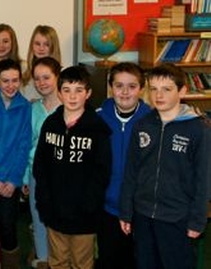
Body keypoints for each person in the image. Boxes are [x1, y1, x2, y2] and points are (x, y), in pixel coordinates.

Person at [119, 64, 211, 269]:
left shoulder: (198, 129)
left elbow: (203, 178)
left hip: (177, 217)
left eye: (166, 89)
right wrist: (126, 211)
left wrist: (197, 221)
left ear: (182, 91)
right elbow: (131, 172)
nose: (158, 95)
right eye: (153, 89)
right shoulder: (142, 125)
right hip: (143, 215)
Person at [33, 65, 112, 269]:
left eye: (79, 90)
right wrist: (44, 200)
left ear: (88, 93)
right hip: (55, 209)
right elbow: (40, 165)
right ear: (59, 93)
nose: (73, 96)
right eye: (67, 90)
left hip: (84, 213)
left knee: (81, 262)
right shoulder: (50, 124)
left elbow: (102, 171)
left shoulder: (98, 128)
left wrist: (89, 203)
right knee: (58, 261)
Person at [95, 62, 151, 269]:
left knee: (138, 259)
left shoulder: (152, 121)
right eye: (119, 86)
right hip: (107, 208)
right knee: (110, 258)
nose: (125, 92)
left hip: (140, 208)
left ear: (142, 89)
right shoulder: (98, 117)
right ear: (111, 88)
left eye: (132, 86)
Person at [0, 58, 31, 268]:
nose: (11, 85)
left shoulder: (25, 107)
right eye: (5, 80)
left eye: (15, 80)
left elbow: (24, 145)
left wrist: (13, 180)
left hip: (10, 181)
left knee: (8, 228)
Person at [22, 57, 62, 269]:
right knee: (39, 223)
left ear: (57, 77)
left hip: (63, 176)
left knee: (60, 223)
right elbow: (27, 145)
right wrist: (26, 177)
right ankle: (43, 262)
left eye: (46, 77)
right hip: (37, 174)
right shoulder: (32, 109)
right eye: (37, 79)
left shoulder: (69, 107)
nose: (41, 82)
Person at [21, 25, 62, 101]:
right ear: (31, 46)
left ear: (53, 47)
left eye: (46, 44)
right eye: (37, 44)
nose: (41, 48)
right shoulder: (23, 73)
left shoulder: (62, 78)